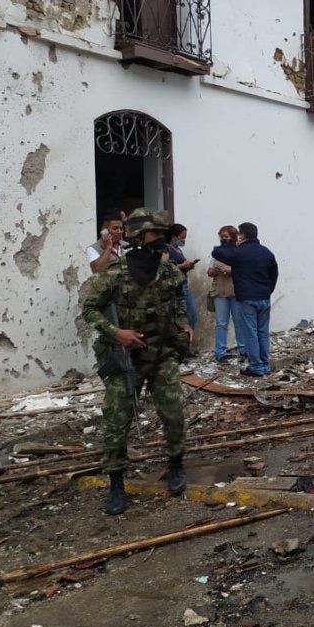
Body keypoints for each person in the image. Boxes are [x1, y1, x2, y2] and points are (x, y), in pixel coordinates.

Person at [81, 208, 192, 515]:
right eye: (156, 235)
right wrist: (117, 333)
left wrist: (185, 325)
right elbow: (89, 309)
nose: (161, 241)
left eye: (162, 235)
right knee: (116, 421)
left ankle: (175, 465)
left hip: (162, 355)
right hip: (125, 358)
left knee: (173, 413)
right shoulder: (114, 272)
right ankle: (116, 483)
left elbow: (179, 302)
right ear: (140, 237)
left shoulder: (170, 272)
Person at [212, 222, 278, 377]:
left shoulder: (239, 252)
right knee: (263, 332)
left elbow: (217, 253)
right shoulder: (266, 252)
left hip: (247, 298)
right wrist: (268, 290)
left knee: (250, 333)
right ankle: (265, 365)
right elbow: (274, 274)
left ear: (241, 235)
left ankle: (256, 366)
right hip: (264, 297)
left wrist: (228, 242)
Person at [208, 225, 247, 363]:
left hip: (236, 291)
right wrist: (217, 270)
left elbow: (245, 270)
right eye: (221, 237)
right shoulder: (217, 252)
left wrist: (232, 270)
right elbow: (209, 272)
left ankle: (243, 350)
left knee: (239, 322)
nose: (223, 239)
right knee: (221, 323)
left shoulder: (240, 251)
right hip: (220, 292)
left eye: (226, 237)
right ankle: (220, 352)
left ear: (233, 236)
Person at [166, 223, 200, 337]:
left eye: (184, 237)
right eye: (181, 237)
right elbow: (164, 267)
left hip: (184, 284)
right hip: (175, 287)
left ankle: (187, 342)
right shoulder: (167, 249)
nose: (183, 240)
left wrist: (189, 266)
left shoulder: (178, 249)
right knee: (181, 317)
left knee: (192, 315)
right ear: (173, 236)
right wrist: (183, 266)